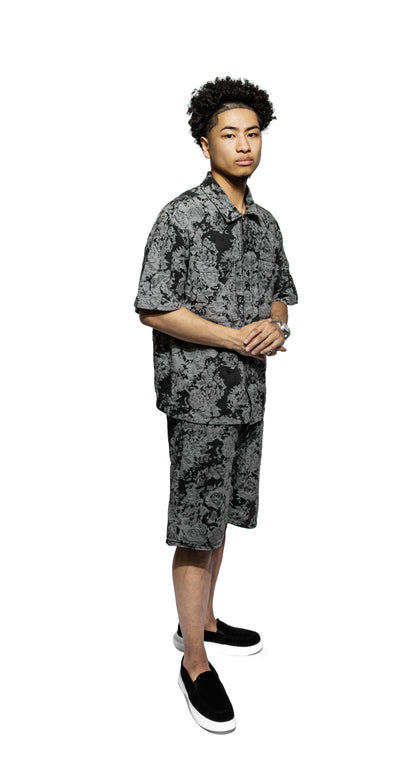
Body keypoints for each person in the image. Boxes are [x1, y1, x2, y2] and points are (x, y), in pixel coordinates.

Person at [134, 76, 298, 733]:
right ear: (205, 144)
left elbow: (281, 295)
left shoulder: (266, 223)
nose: (244, 145)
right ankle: (194, 660)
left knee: (222, 512)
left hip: (249, 394)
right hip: (199, 396)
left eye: (253, 133)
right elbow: (154, 307)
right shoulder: (179, 217)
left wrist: (276, 327)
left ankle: (201, 619)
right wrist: (233, 337)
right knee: (196, 524)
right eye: (229, 134)